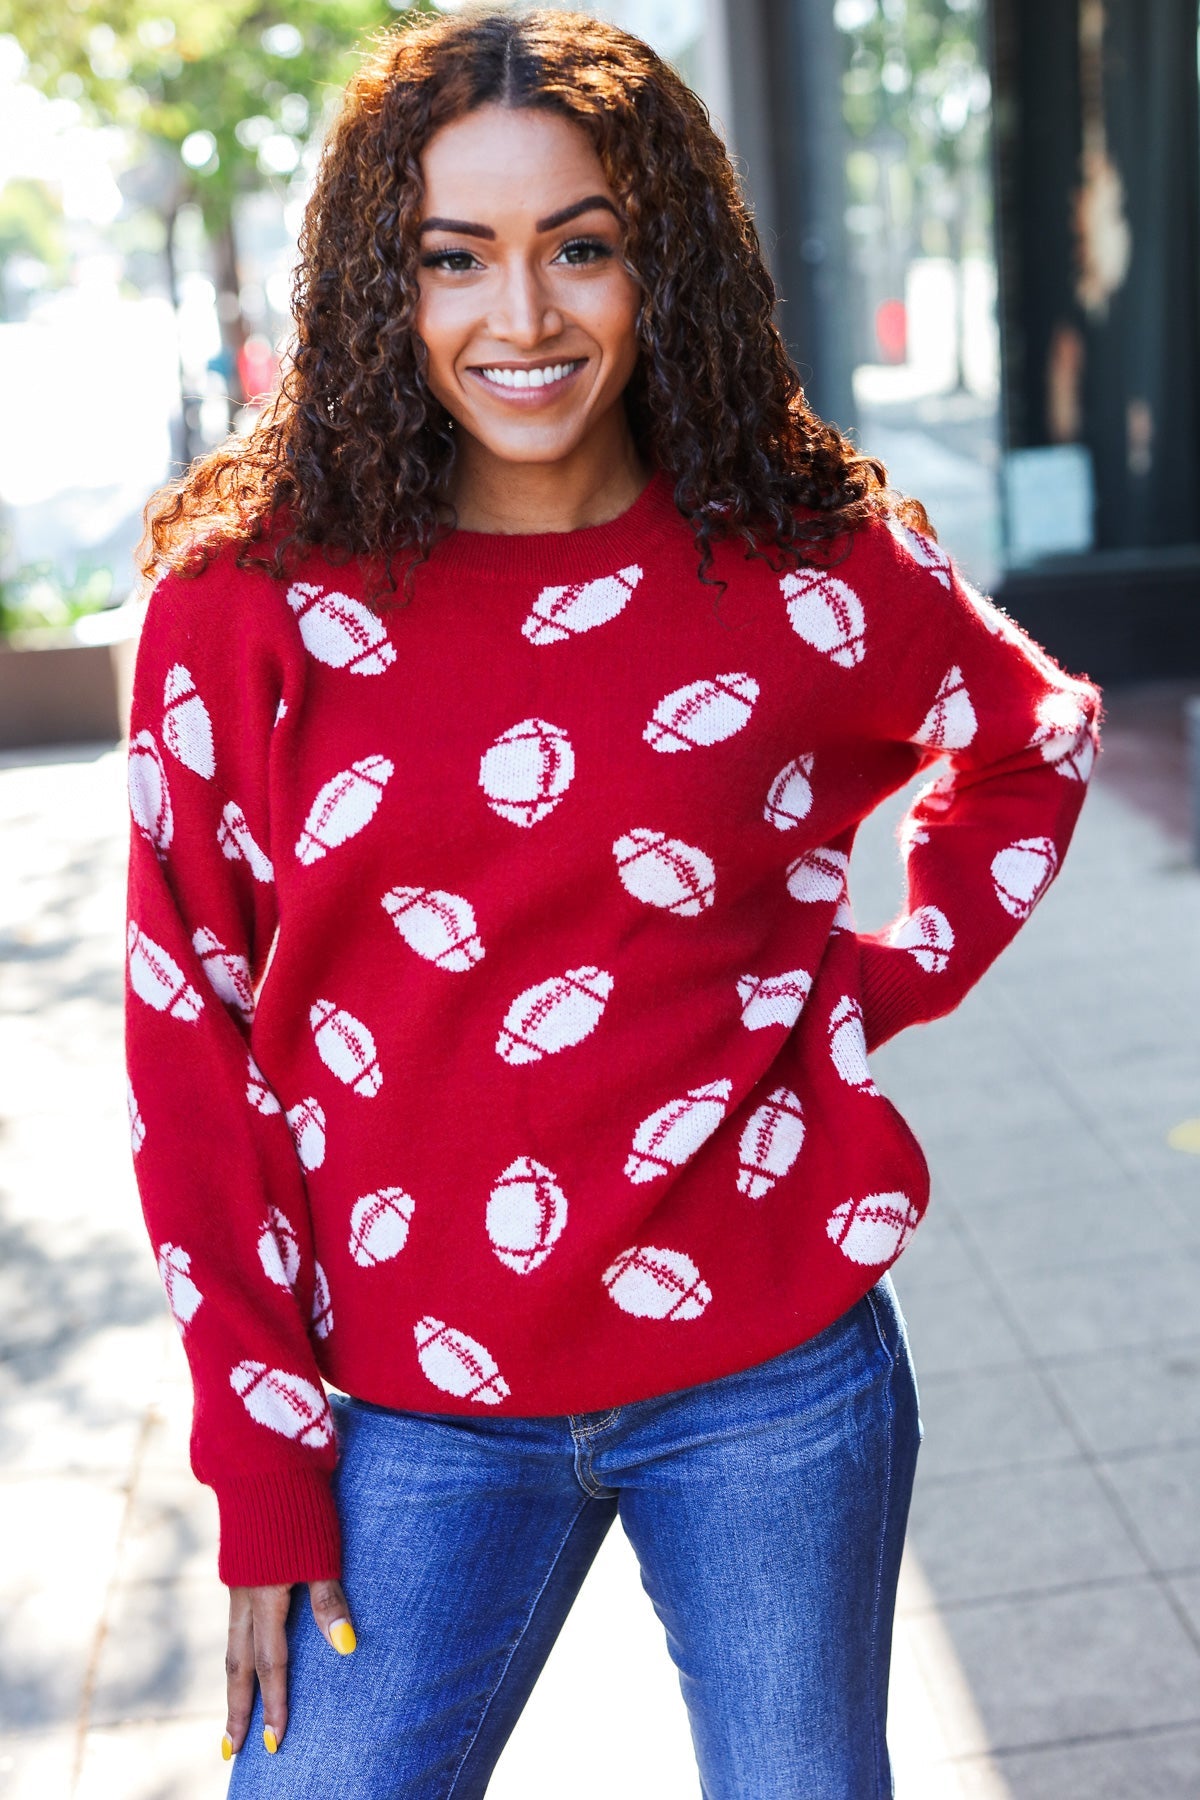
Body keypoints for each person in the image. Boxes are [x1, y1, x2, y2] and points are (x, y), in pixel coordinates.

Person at [125, 11, 1103, 1797]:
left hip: (770, 1376)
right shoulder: (245, 608)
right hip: (406, 1402)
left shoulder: (805, 566)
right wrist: (260, 1458)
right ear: (379, 281)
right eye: (455, 258)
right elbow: (184, 1027)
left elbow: (1029, 737)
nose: (523, 317)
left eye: (582, 246)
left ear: (669, 262)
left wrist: (869, 989)